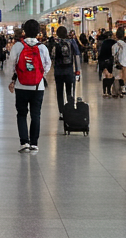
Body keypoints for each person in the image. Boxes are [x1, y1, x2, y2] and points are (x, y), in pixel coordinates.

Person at [5, 19, 52, 153]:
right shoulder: (42, 47)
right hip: (38, 87)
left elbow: (10, 65)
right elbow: (47, 65)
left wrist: (12, 79)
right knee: (36, 114)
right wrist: (40, 75)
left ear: (24, 31)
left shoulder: (18, 46)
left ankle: (24, 142)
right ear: (38, 32)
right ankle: (34, 143)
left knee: (21, 114)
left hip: (21, 85)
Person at [49, 26, 81, 115]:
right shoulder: (72, 42)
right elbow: (77, 55)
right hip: (69, 70)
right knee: (69, 91)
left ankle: (61, 112)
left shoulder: (55, 43)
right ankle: (70, 109)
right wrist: (78, 71)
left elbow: (52, 57)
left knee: (59, 92)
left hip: (58, 71)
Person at [97, 30, 116, 97]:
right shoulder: (114, 42)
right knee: (110, 76)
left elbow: (100, 53)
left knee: (105, 76)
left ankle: (105, 91)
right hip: (110, 61)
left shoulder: (103, 43)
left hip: (103, 60)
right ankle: (109, 91)